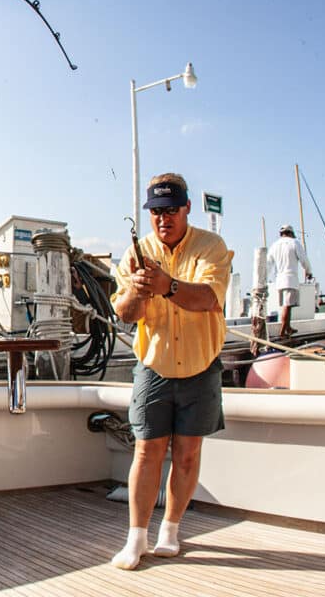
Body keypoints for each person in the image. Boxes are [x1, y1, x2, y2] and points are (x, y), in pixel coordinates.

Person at [110, 173, 233, 570]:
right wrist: (137, 289)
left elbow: (209, 299)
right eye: (156, 212)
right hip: (154, 367)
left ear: (186, 209)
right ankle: (136, 538)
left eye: (171, 211)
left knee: (187, 454)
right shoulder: (135, 253)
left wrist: (166, 285)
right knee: (146, 452)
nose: (163, 219)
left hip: (201, 366)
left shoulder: (211, 247)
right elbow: (126, 314)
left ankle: (171, 530)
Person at [267, 224, 313, 340]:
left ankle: (288, 327)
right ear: (291, 233)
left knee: (288, 305)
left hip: (279, 280)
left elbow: (268, 263)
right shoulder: (294, 243)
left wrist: (265, 277)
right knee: (287, 306)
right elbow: (304, 259)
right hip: (290, 279)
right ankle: (283, 331)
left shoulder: (274, 245)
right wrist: (308, 271)